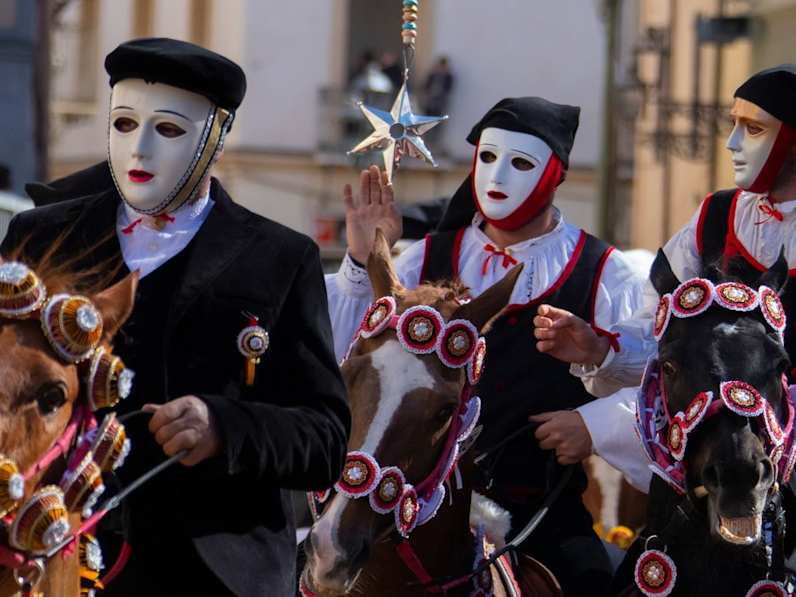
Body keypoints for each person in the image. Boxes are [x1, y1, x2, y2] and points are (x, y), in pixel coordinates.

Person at [1, 37, 350, 597]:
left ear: (215, 138)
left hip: (215, 571)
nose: (138, 149)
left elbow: (326, 439)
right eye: (122, 124)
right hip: (52, 555)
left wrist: (225, 427)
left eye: (167, 129)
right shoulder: (42, 238)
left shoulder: (281, 258)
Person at [325, 97, 648, 596]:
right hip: (406, 508)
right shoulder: (423, 258)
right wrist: (363, 261)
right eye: (489, 157)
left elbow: (657, 385)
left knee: (596, 585)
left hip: (538, 513)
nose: (498, 175)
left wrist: (594, 423)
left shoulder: (603, 271)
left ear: (554, 174)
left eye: (521, 163)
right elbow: (351, 360)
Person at [533, 64, 796, 481]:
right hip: (710, 451)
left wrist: (601, 427)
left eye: (754, 129)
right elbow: (664, 338)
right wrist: (601, 349)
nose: (731, 143)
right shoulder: (716, 215)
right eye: (734, 125)